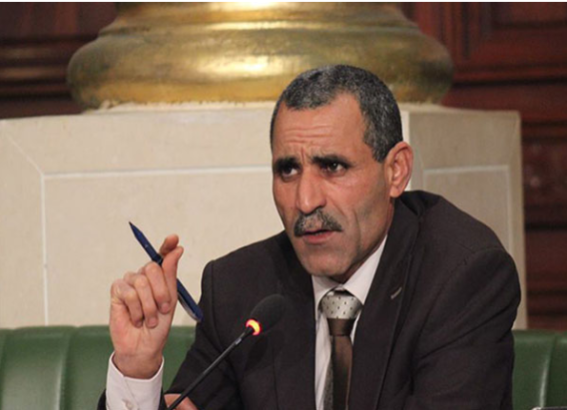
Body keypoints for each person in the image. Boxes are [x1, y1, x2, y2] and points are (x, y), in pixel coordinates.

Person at [101, 65, 520, 410]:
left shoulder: (462, 277)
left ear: (396, 171)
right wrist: (137, 371)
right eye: (288, 170)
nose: (305, 200)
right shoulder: (240, 289)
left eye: (332, 167)